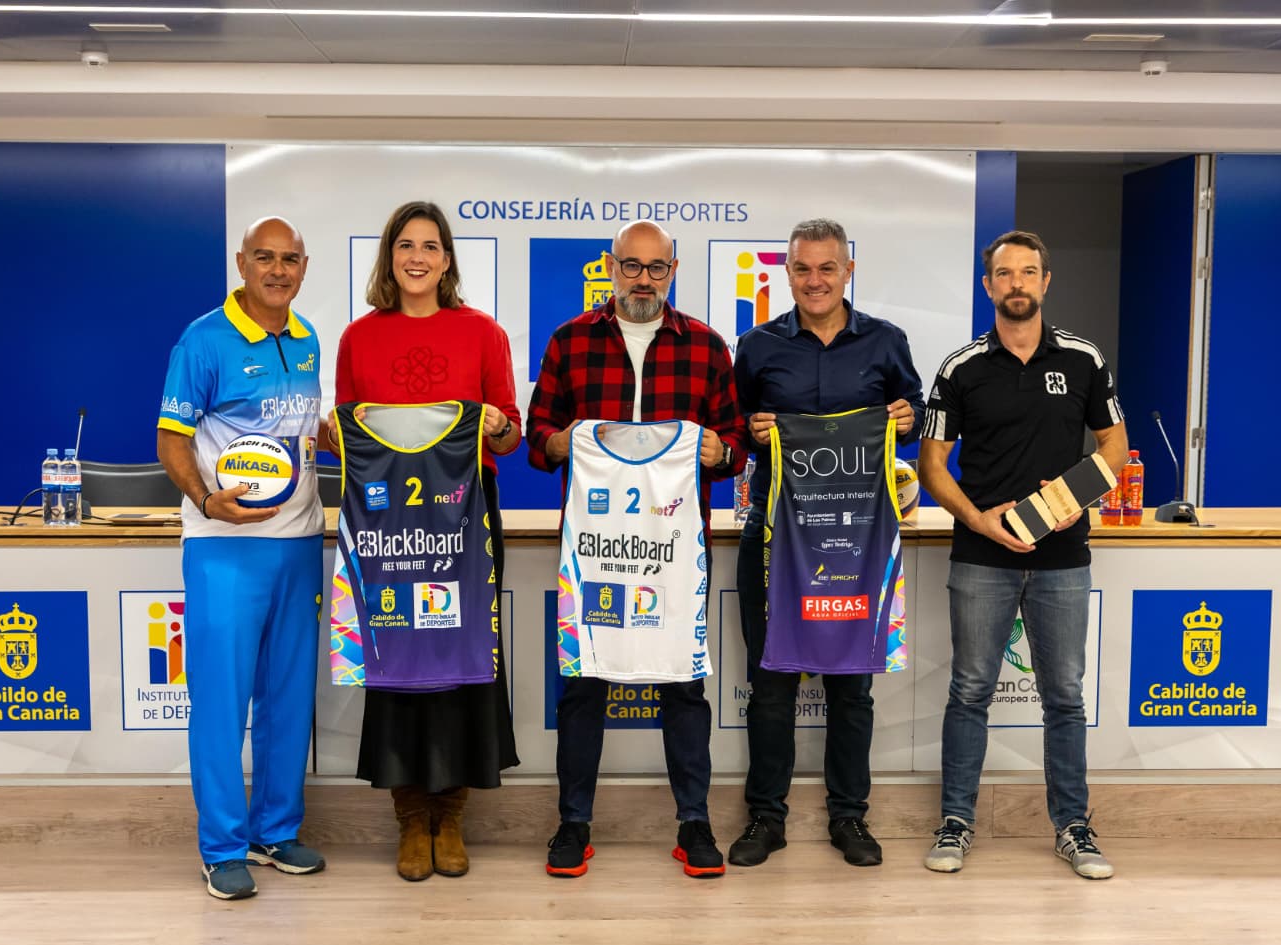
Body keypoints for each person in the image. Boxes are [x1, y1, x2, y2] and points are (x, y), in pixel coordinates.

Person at [526, 219, 746, 880]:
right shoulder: (570, 341)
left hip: (677, 553)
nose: (643, 280)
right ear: (611, 267)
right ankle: (573, 823)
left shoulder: (706, 345)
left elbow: (737, 443)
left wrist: (719, 452)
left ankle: (694, 822)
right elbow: (537, 436)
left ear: (673, 271)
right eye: (631, 266)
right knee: (582, 685)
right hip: (595, 550)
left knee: (684, 685)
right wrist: (564, 441)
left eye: (656, 268)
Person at [918, 229, 1128, 880]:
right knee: (969, 692)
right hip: (982, 557)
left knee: (1064, 696)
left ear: (1046, 281)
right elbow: (931, 465)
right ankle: (956, 822)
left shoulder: (1084, 359)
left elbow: (1115, 448)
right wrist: (978, 520)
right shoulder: (960, 368)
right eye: (1005, 274)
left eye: (1028, 272)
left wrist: (1074, 497)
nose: (1017, 283)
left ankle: (1073, 828)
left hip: (1063, 556)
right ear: (988, 286)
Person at [329, 200, 521, 882]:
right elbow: (347, 439)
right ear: (390, 256)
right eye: (406, 245)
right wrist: (328, 433)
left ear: (447, 260)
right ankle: (411, 818)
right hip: (387, 529)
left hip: (465, 521)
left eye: (431, 246)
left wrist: (497, 426)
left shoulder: (483, 333)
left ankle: (453, 815)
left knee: (464, 658)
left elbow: (511, 435)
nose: (418, 257)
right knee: (393, 657)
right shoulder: (357, 338)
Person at [730, 218, 925, 869]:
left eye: (827, 268)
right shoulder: (756, 346)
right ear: (787, 273)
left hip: (858, 540)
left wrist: (907, 419)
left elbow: (917, 415)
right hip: (772, 536)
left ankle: (850, 817)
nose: (815, 280)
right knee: (771, 683)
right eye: (803, 268)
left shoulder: (886, 342)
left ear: (848, 271)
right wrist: (752, 430)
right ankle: (766, 818)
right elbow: (730, 428)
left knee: (850, 687)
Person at [156, 216, 327, 901]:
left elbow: (303, 430)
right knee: (221, 702)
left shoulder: (308, 338)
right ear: (241, 263)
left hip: (300, 542)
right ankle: (222, 847)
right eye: (265, 257)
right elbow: (170, 439)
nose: (277, 270)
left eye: (289, 259)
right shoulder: (203, 340)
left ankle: (275, 831)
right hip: (223, 547)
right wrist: (205, 499)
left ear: (303, 267)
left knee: (288, 699)